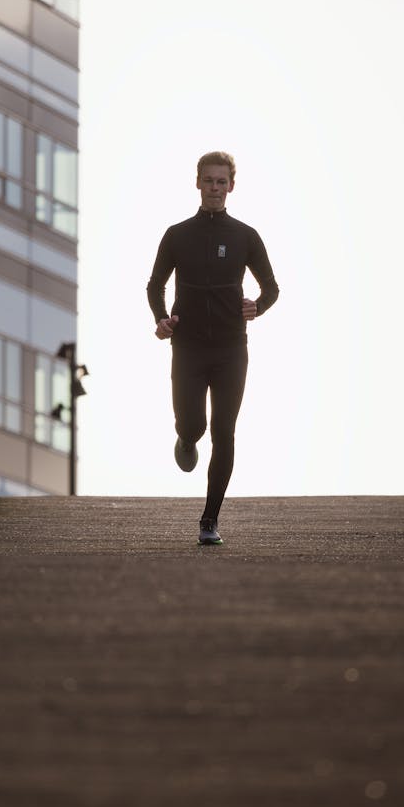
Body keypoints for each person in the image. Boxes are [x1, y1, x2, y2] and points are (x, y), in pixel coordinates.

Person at [147, 151, 279, 545]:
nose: (215, 188)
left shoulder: (245, 236)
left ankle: (209, 519)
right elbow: (156, 285)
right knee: (194, 425)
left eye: (222, 182)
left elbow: (271, 287)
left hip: (230, 349)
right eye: (209, 180)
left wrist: (259, 305)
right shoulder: (177, 234)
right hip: (188, 348)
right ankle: (186, 438)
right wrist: (161, 318)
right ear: (198, 183)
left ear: (231, 187)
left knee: (224, 431)